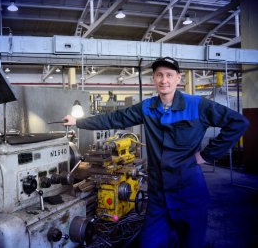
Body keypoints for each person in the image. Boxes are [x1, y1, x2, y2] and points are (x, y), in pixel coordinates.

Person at [63, 57, 249, 248]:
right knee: (149, 243)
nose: (164, 80)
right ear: (153, 79)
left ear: (178, 78)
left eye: (169, 75)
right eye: (159, 75)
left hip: (189, 193)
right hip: (158, 195)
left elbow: (238, 122)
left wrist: (206, 155)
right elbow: (115, 118)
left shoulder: (197, 105)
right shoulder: (147, 107)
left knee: (191, 242)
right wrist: (78, 122)